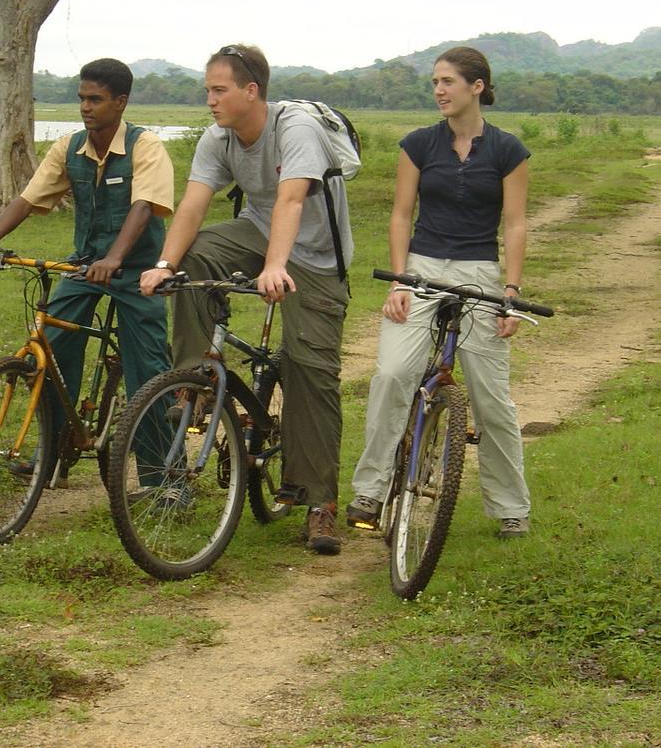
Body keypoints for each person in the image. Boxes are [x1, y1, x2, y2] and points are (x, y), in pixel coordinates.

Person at [139, 44, 353, 555]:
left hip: (317, 255)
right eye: (207, 90)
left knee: (310, 370)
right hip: (259, 231)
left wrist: (277, 265)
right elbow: (193, 204)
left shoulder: (295, 129)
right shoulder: (218, 138)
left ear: (251, 90)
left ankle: (319, 502)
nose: (210, 100)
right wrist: (165, 265)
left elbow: (292, 197)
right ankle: (195, 385)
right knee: (194, 259)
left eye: (219, 90)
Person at [346, 46, 534, 539]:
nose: (439, 91)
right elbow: (400, 215)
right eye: (435, 82)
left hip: (480, 271)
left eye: (448, 81)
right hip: (422, 266)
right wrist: (401, 279)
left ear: (477, 87)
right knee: (392, 373)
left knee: (492, 398)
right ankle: (370, 487)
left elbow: (514, 224)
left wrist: (510, 292)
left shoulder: (508, 151)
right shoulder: (418, 144)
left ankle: (510, 506)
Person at [0, 58, 174, 481]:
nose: (85, 107)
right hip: (84, 267)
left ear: (120, 102)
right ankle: (55, 452)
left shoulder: (145, 145)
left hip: (137, 273)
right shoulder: (69, 147)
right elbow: (28, 198)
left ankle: (163, 478)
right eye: (82, 98)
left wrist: (115, 258)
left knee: (149, 369)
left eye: (95, 100)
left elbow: (144, 205)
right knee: (52, 347)